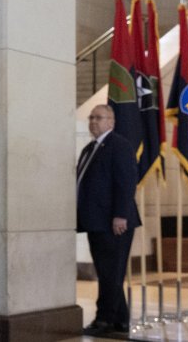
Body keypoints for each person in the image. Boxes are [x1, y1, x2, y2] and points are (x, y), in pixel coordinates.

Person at [77, 104, 140, 336]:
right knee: (108, 272)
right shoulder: (90, 148)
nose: (93, 121)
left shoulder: (119, 145)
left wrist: (121, 214)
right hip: (96, 221)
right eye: (91, 117)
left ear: (111, 122)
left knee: (111, 272)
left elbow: (126, 182)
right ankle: (120, 321)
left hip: (114, 222)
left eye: (99, 117)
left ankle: (103, 320)